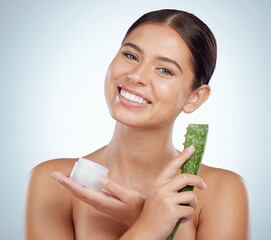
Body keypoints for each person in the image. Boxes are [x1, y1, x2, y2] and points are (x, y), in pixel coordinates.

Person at [24, 9, 249, 240]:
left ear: (195, 98)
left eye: (164, 70)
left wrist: (140, 217)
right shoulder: (54, 182)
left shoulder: (222, 191)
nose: (136, 75)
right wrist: (146, 226)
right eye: (131, 56)